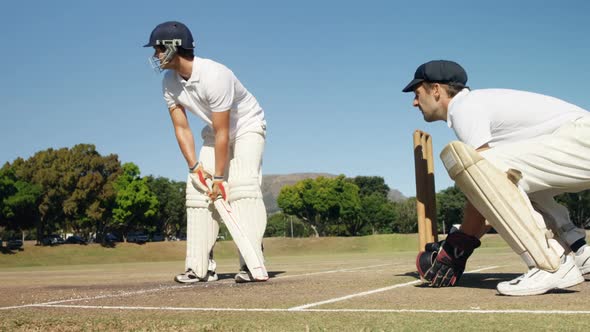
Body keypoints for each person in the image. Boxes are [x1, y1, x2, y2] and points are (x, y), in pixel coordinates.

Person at [403, 60, 590, 295]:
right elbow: (499, 194)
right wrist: (464, 236)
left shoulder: (464, 108)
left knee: (479, 167)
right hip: (580, 141)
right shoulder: (477, 103)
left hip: (582, 140)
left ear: (437, 89)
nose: (414, 102)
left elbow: (486, 188)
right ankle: (581, 252)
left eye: (418, 93)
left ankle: (550, 265)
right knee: (516, 179)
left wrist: (456, 247)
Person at [144, 21, 268, 283]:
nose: (155, 55)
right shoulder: (169, 82)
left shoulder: (215, 75)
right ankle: (200, 267)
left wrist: (220, 179)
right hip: (215, 131)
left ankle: (251, 260)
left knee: (242, 186)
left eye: (157, 49)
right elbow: (182, 128)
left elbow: (226, 131)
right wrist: (194, 167)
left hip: (246, 126)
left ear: (172, 48)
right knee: (197, 192)